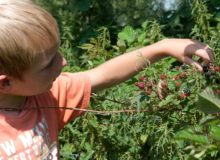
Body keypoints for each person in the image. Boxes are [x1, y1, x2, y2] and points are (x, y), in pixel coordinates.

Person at [0, 0, 214, 159]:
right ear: (5, 83)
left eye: (58, 52)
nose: (63, 62)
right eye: (48, 64)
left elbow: (101, 75)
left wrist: (162, 47)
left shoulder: (48, 96)